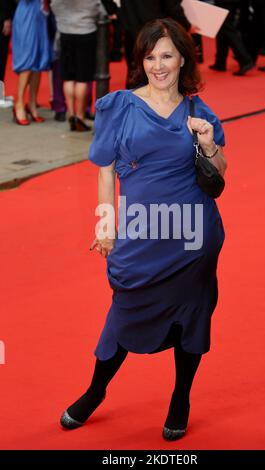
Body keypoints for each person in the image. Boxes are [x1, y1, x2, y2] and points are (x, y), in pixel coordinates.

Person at [60, 18, 227, 441]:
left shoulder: (198, 112)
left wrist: (208, 144)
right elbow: (104, 172)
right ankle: (96, 390)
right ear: (141, 60)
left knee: (192, 316)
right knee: (124, 310)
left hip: (192, 235)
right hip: (140, 232)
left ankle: (181, 397)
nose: (158, 65)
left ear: (183, 59)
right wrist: (106, 224)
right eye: (150, 56)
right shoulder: (118, 106)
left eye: (167, 55)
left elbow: (221, 173)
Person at [12, 0, 51, 125]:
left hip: (40, 14)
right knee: (27, 60)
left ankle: (32, 103)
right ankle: (19, 103)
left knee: (38, 62)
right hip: (26, 15)